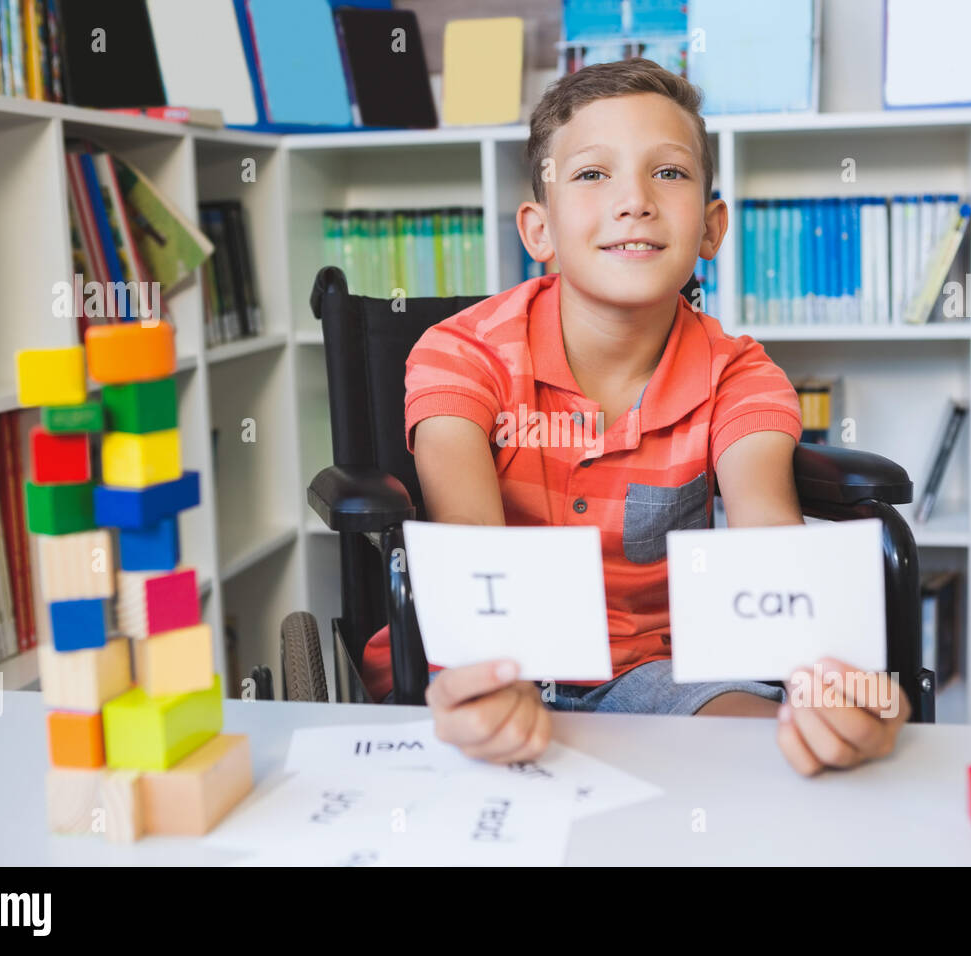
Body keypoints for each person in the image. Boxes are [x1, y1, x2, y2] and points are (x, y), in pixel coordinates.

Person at [363, 58, 909, 775]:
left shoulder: (739, 374)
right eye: (592, 175)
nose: (635, 201)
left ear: (711, 228)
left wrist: (834, 690)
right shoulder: (462, 353)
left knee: (776, 757)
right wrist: (500, 683)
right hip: (492, 659)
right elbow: (470, 550)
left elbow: (772, 550)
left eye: (670, 173)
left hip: (663, 677)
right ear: (540, 230)